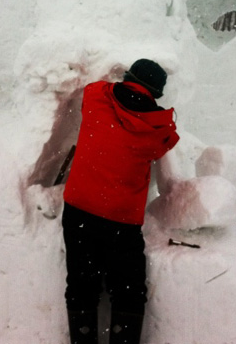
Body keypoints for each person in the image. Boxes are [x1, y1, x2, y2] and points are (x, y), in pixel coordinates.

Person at [62, 59, 180, 344]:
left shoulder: (95, 97)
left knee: (81, 282)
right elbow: (166, 143)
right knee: (128, 290)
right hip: (120, 220)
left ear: (127, 76)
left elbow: (94, 87)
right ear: (156, 93)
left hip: (79, 209)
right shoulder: (157, 129)